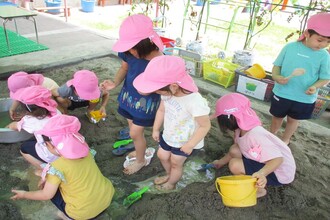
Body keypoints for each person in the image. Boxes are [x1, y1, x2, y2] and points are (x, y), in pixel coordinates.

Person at [11, 114, 115, 220]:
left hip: (82, 213)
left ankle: (67, 216)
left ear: (50, 145)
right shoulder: (86, 153)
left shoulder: (57, 167)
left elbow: (46, 195)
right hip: (106, 199)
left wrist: (24, 194)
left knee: (48, 188)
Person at [133, 56, 211, 191]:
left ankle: (172, 183)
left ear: (174, 86)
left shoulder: (195, 101)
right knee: (162, 155)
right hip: (169, 134)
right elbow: (162, 110)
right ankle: (169, 174)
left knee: (176, 163)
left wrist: (190, 145)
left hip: (185, 141)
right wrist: (156, 129)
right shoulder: (167, 92)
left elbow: (205, 125)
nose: (156, 92)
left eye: (158, 89)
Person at [100, 14, 164, 175]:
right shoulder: (129, 53)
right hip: (129, 96)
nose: (129, 51)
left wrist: (150, 89)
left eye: (132, 47)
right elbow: (124, 68)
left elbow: (164, 86)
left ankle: (141, 160)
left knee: (135, 132)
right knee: (132, 129)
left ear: (145, 44)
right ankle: (139, 149)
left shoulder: (159, 59)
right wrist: (115, 83)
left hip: (145, 102)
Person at [212, 93, 296, 197]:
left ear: (230, 119)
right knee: (234, 149)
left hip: (279, 172)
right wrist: (220, 162)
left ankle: (259, 191)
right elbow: (236, 150)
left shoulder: (255, 135)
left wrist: (261, 173)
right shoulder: (241, 128)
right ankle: (248, 172)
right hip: (265, 160)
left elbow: (278, 159)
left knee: (234, 165)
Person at [270, 13, 330, 145]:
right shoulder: (290, 48)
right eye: (320, 40)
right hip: (282, 92)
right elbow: (277, 66)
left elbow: (325, 78)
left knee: (293, 120)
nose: (323, 45)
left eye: (328, 41)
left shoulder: (324, 56)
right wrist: (277, 76)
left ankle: (286, 139)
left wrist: (315, 86)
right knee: (277, 117)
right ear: (307, 33)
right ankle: (272, 135)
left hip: (304, 97)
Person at [6, 86, 60, 169]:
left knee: (24, 148)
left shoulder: (29, 120)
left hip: (52, 154)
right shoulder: (56, 111)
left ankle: (45, 169)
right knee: (36, 137)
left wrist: (9, 125)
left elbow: (13, 127)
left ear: (26, 109)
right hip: (64, 147)